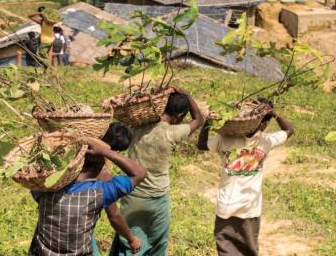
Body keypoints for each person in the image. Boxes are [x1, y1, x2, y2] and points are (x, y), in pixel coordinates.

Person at [110, 87, 204, 256]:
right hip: (158, 199)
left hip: (133, 196)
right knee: (157, 245)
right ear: (179, 116)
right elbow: (198, 119)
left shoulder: (137, 127)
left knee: (130, 244)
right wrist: (188, 94)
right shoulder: (172, 132)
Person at [197, 99, 294, 256]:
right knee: (249, 250)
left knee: (226, 249)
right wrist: (274, 113)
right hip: (251, 208)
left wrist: (208, 121)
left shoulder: (225, 139)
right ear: (265, 123)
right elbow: (289, 130)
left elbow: (201, 144)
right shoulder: (266, 141)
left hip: (226, 207)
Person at [28, 135, 147, 256]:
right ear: (100, 166)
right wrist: (104, 151)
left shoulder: (47, 186)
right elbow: (139, 173)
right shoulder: (99, 192)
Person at [92, 123, 143, 256]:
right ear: (115, 152)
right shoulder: (102, 175)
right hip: (78, 234)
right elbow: (114, 216)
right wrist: (132, 239)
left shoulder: (77, 158)